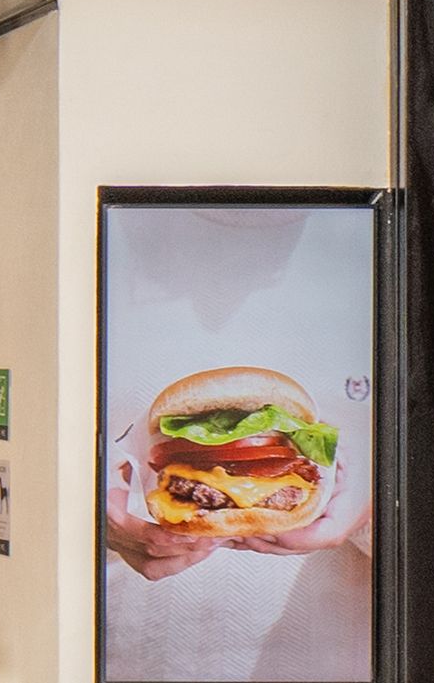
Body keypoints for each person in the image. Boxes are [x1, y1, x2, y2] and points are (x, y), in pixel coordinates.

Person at [99, 206, 374, 681]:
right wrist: (90, 514)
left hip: (331, 654)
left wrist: (377, 500)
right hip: (136, 652)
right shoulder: (98, 222)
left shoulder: (384, 233)